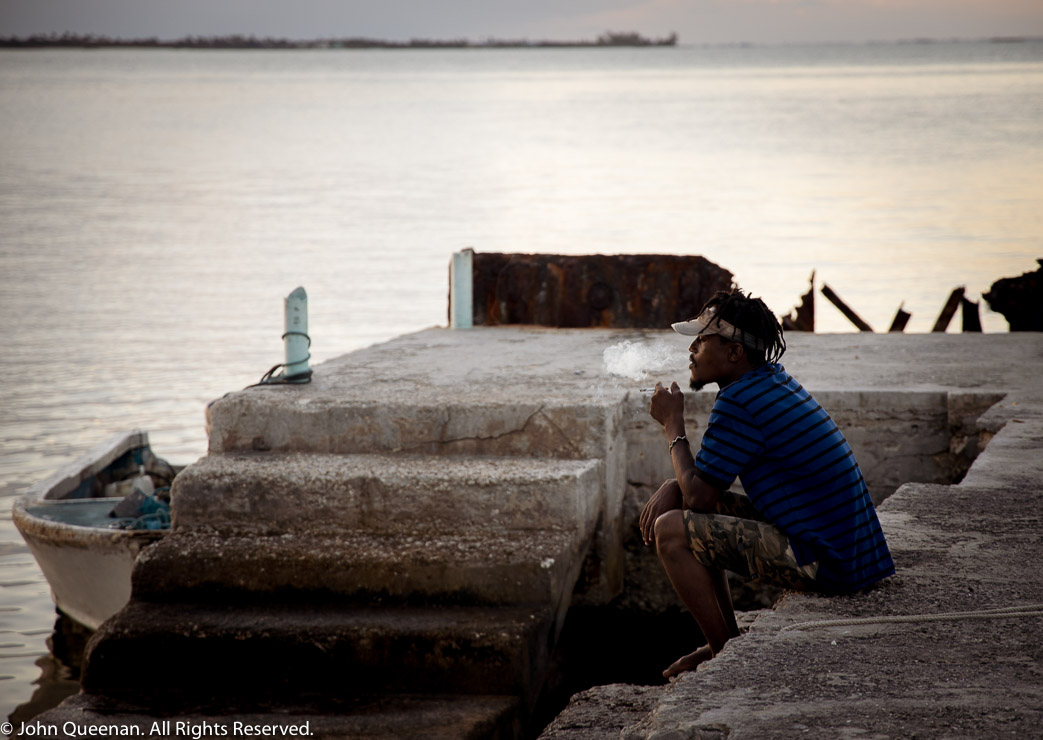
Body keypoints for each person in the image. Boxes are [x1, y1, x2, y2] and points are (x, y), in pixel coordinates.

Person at [640, 288, 894, 678]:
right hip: (855, 554)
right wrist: (674, 486)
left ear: (734, 353)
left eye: (703, 338)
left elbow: (700, 497)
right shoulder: (769, 382)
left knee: (670, 531)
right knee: (681, 497)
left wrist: (673, 425)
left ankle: (725, 656)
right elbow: (698, 490)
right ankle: (723, 645)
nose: (691, 348)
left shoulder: (739, 403)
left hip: (829, 563)